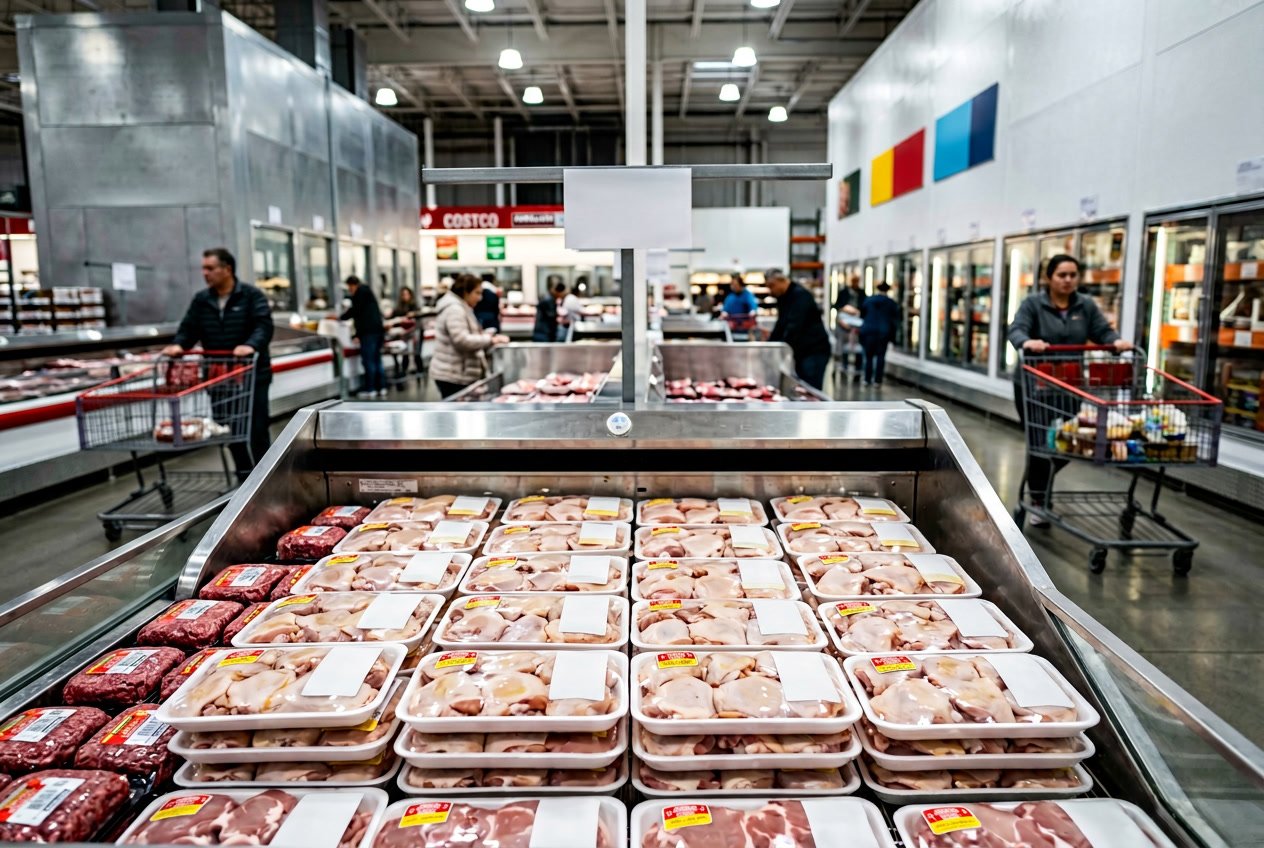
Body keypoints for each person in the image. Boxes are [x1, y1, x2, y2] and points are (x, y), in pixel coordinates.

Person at [1007, 254, 1134, 526]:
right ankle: (1040, 499)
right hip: (1034, 384)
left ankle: (1043, 478)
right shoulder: (1033, 304)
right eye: (1062, 275)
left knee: (1071, 439)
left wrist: (1116, 342)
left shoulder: (1085, 305)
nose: (1068, 280)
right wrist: (1027, 342)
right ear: (1048, 278)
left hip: (1068, 384)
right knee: (1040, 441)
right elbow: (1016, 329)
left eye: (1073, 275)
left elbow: (1102, 331)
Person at [165, 248, 273, 481]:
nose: (205, 273)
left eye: (210, 268)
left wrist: (250, 345)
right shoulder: (202, 300)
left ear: (227, 269)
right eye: (203, 268)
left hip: (251, 375)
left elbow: (263, 326)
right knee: (229, 429)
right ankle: (244, 476)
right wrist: (179, 345)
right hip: (219, 375)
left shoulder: (251, 296)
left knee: (255, 429)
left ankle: (267, 478)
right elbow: (189, 328)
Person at [432, 273, 510, 398]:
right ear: (465, 292)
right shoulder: (455, 310)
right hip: (454, 375)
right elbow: (462, 340)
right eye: (477, 293)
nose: (480, 298)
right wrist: (490, 339)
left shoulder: (461, 307)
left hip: (457, 372)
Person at [766, 269, 832, 390]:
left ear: (782, 280)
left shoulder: (800, 295)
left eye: (772, 285)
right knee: (802, 389)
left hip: (814, 351)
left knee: (810, 390)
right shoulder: (783, 297)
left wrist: (779, 350)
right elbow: (780, 325)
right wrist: (769, 347)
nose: (771, 290)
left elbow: (794, 327)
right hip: (801, 352)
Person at [341, 276, 386, 398]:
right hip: (378, 331)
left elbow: (357, 314)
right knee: (377, 359)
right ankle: (381, 387)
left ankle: (370, 388)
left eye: (349, 287)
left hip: (368, 333)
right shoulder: (368, 293)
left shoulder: (359, 295)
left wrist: (357, 334)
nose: (349, 290)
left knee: (368, 360)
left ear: (352, 285)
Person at [859, 282, 901, 386]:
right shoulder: (891, 303)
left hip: (868, 331)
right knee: (880, 356)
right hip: (883, 332)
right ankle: (877, 380)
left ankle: (867, 379)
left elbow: (862, 314)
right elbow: (895, 320)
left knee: (868, 356)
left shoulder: (869, 300)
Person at [833, 275, 865, 379]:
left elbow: (863, 307)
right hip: (844, 322)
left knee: (858, 348)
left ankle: (858, 370)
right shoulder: (843, 292)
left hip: (857, 322)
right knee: (844, 347)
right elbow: (837, 306)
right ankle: (844, 367)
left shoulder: (861, 293)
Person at [721, 274, 759, 339]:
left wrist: (752, 312)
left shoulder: (748, 295)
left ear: (741, 285)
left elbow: (753, 306)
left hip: (746, 329)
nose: (733, 287)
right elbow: (725, 309)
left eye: (735, 285)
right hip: (732, 328)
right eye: (732, 285)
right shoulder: (730, 296)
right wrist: (724, 313)